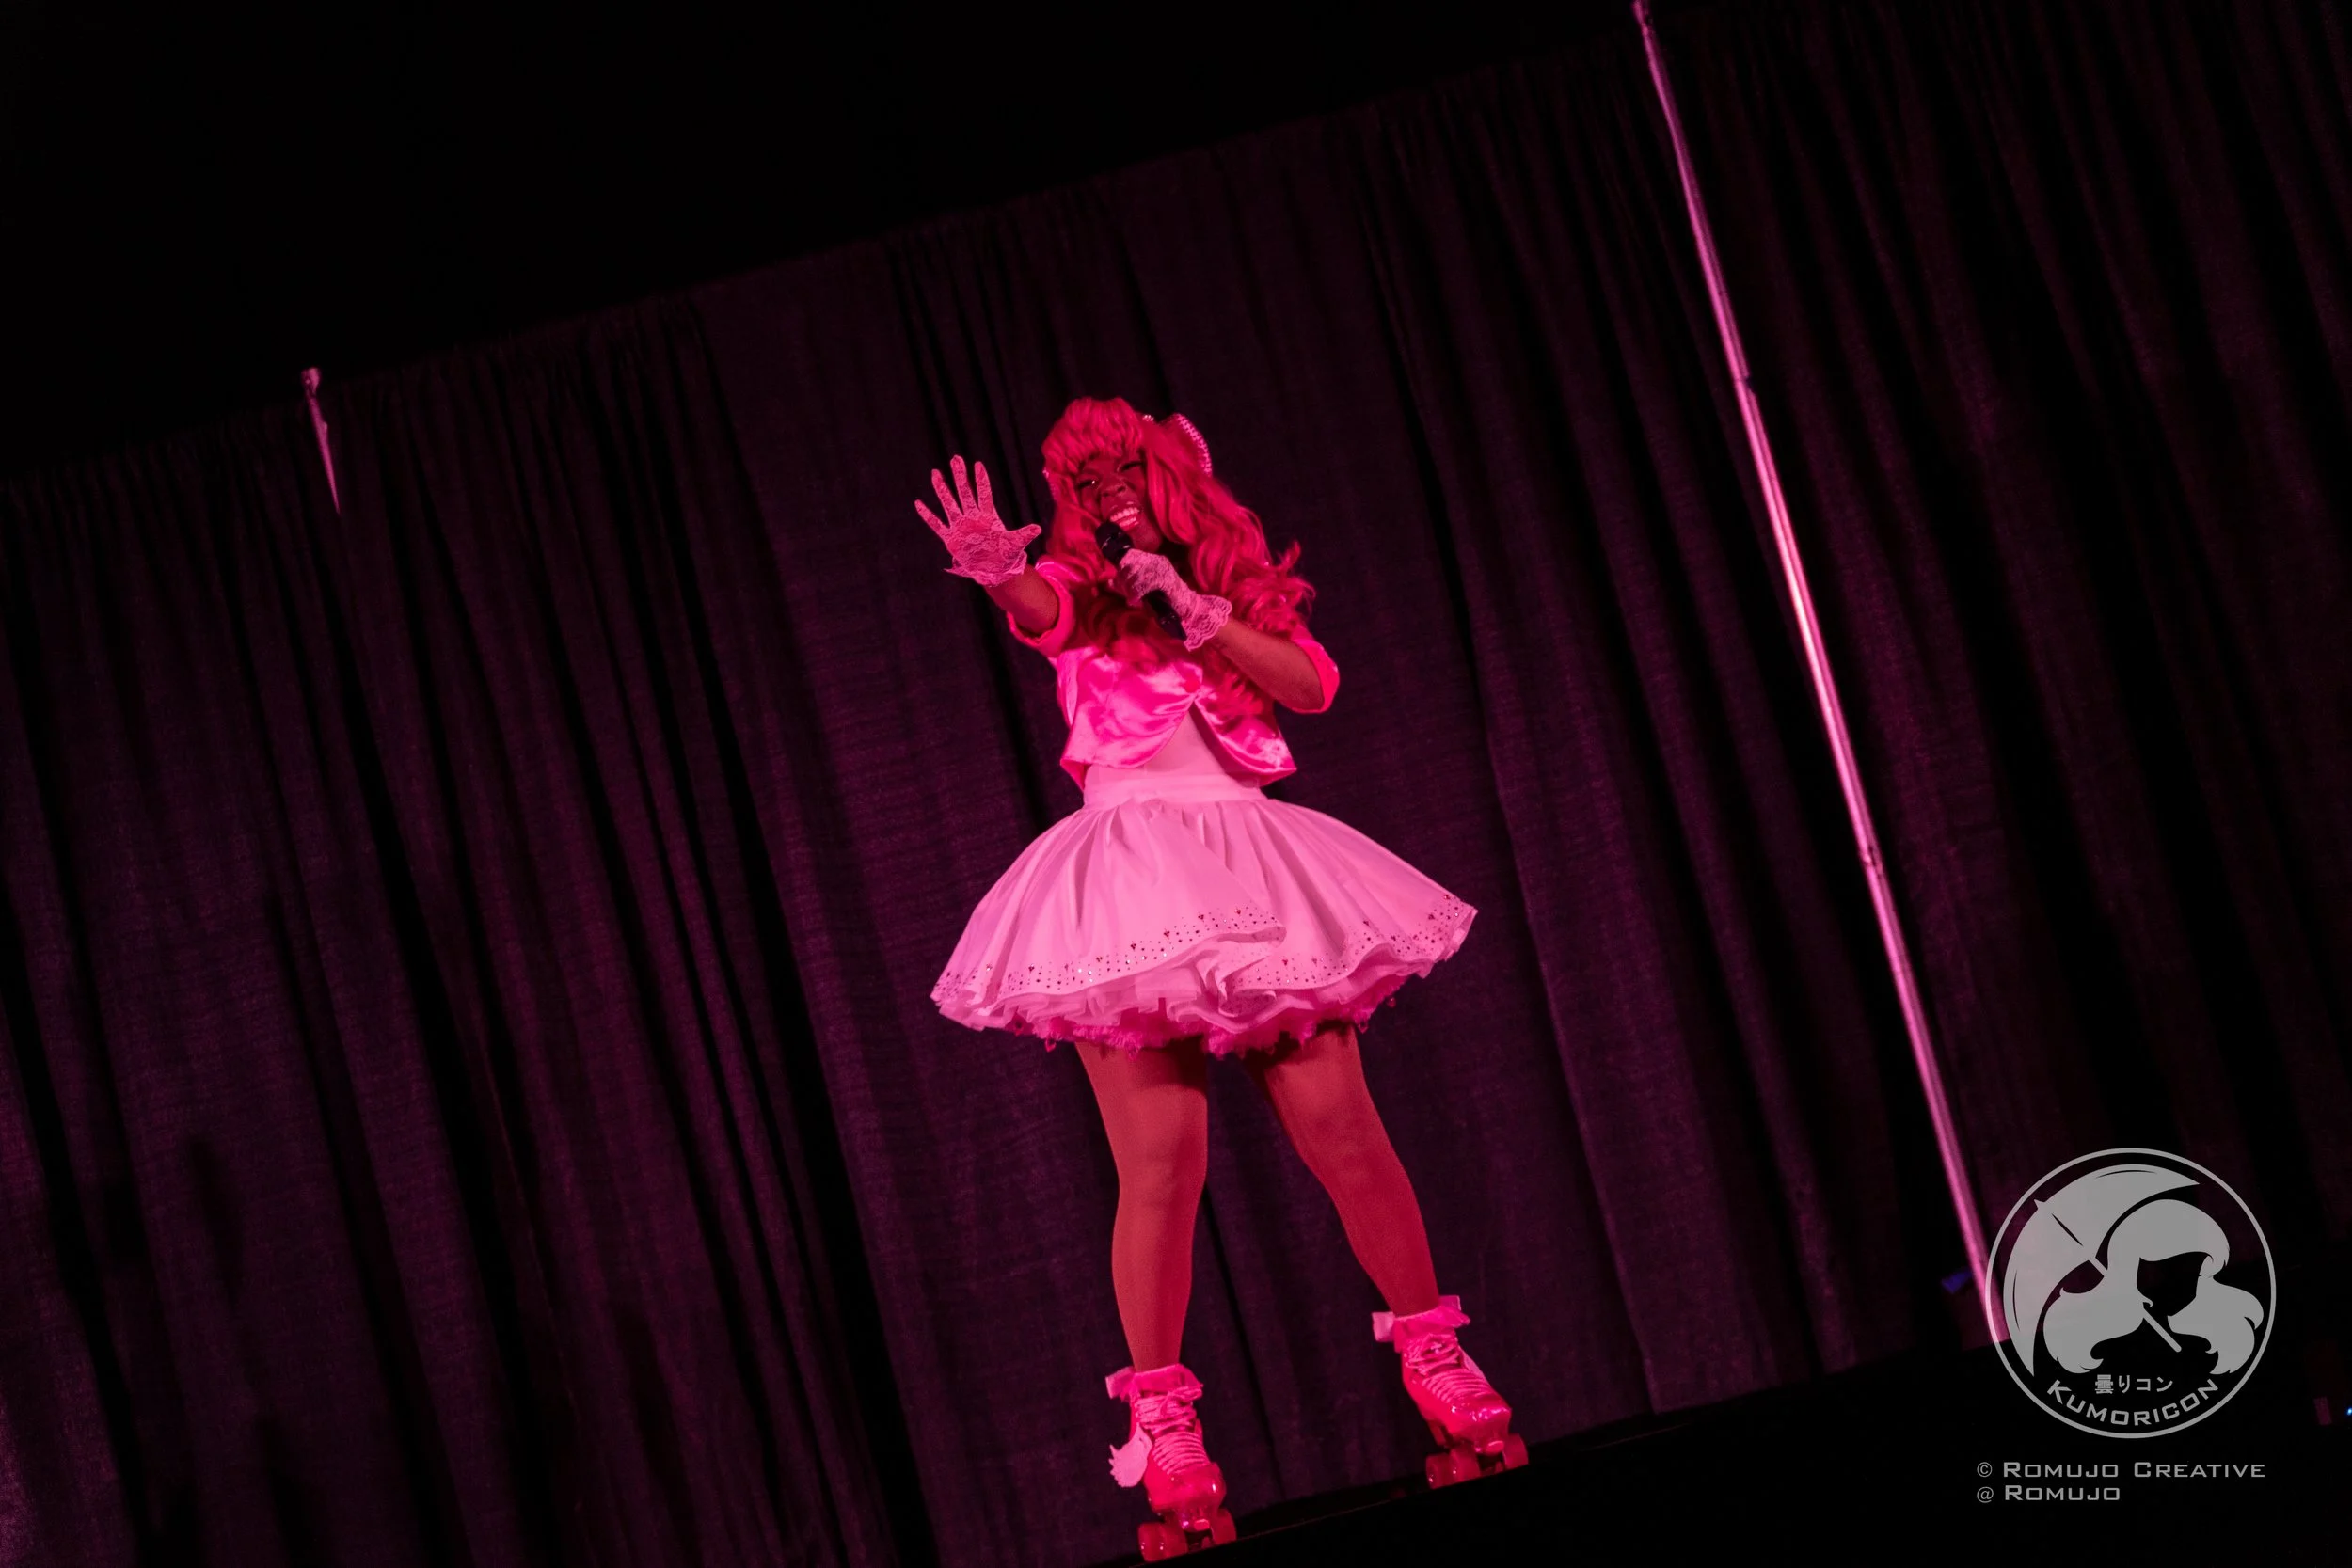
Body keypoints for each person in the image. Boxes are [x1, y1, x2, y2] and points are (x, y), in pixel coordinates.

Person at [918, 397, 1525, 1556]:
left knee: (1344, 1129)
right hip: (1133, 867)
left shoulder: (1219, 592)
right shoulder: (1084, 593)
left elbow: (1308, 687)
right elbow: (1040, 611)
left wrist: (1196, 610)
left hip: (1249, 858)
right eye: (1086, 487)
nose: (1107, 501)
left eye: (1123, 476)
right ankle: (1165, 1421)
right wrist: (1004, 574)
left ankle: (1434, 1349)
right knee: (1162, 1160)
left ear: (1174, 476)